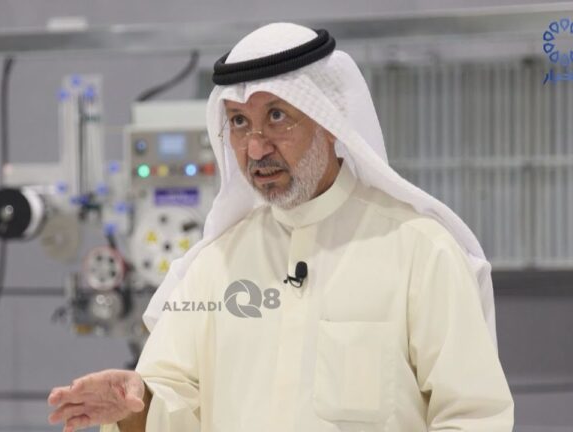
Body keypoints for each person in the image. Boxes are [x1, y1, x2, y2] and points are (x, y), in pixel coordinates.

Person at [47, 22, 514, 432]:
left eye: (276, 116)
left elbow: (473, 417)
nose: (255, 148)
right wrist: (135, 405)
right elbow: (172, 402)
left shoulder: (420, 252)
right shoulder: (215, 266)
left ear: (330, 121)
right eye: (238, 122)